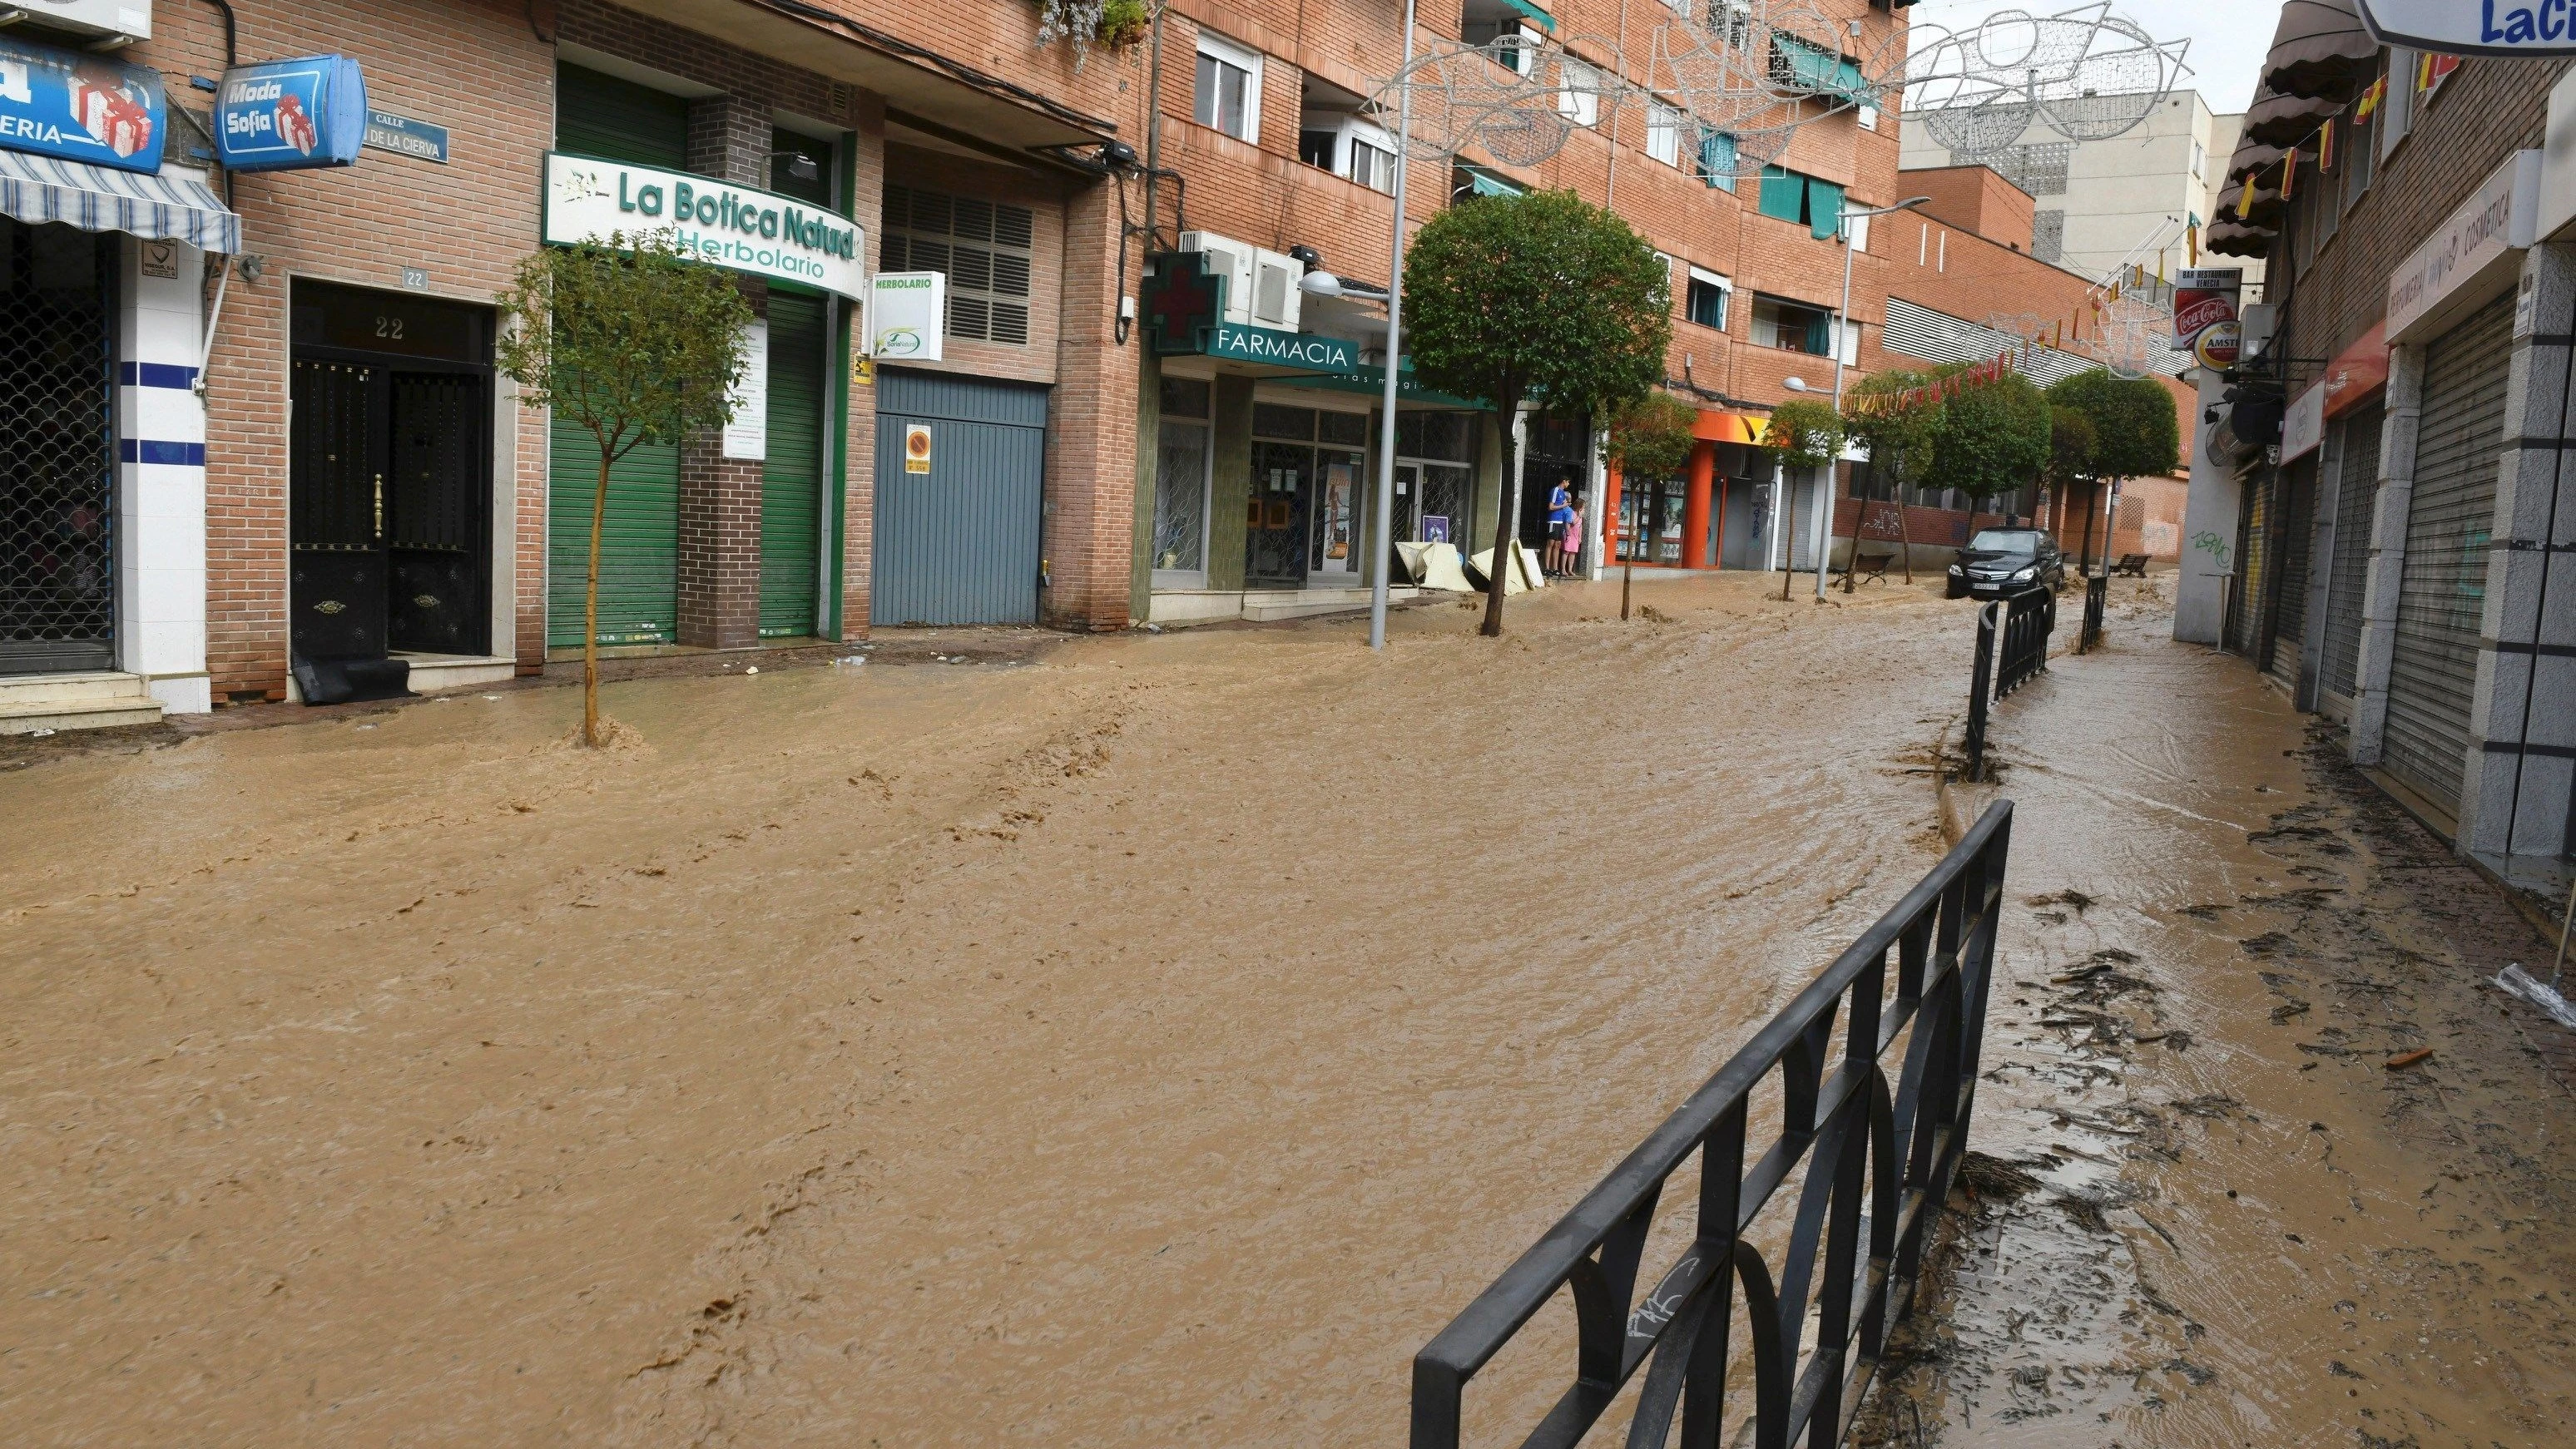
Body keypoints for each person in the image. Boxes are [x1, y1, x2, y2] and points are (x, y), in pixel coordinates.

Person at [1544, 477, 1574, 576]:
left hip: (1560, 521)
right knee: (1550, 544)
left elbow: (1562, 504)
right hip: (1553, 520)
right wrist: (1563, 506)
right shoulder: (1555, 490)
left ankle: (1555, 568)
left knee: (1558, 545)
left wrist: (1565, 504)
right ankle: (1547, 568)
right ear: (1564, 481)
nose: (1568, 484)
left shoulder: (1562, 492)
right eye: (1568, 482)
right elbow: (1551, 506)